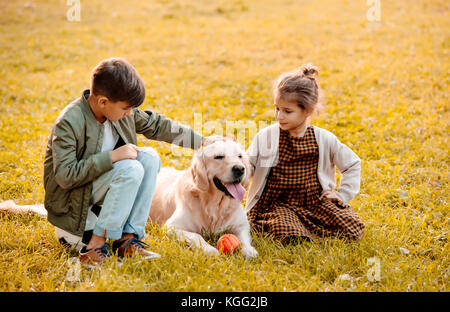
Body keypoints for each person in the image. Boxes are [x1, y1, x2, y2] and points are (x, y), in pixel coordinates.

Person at [44, 57, 208, 265]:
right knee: (130, 167)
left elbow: (157, 125)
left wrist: (202, 141)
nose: (130, 113)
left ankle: (127, 241)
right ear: (103, 101)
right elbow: (65, 176)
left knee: (149, 157)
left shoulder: (120, 112)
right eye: (126, 108)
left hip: (102, 202)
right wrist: (112, 156)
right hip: (76, 216)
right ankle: (94, 247)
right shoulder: (69, 122)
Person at [245, 63, 365, 243]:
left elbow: (352, 164)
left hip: (314, 203)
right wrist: (234, 159)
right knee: (285, 230)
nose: (279, 116)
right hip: (276, 204)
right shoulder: (267, 137)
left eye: (287, 111)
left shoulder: (324, 139)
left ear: (308, 110)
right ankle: (297, 232)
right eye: (277, 108)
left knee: (350, 227)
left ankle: (307, 229)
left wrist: (341, 195)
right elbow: (248, 165)